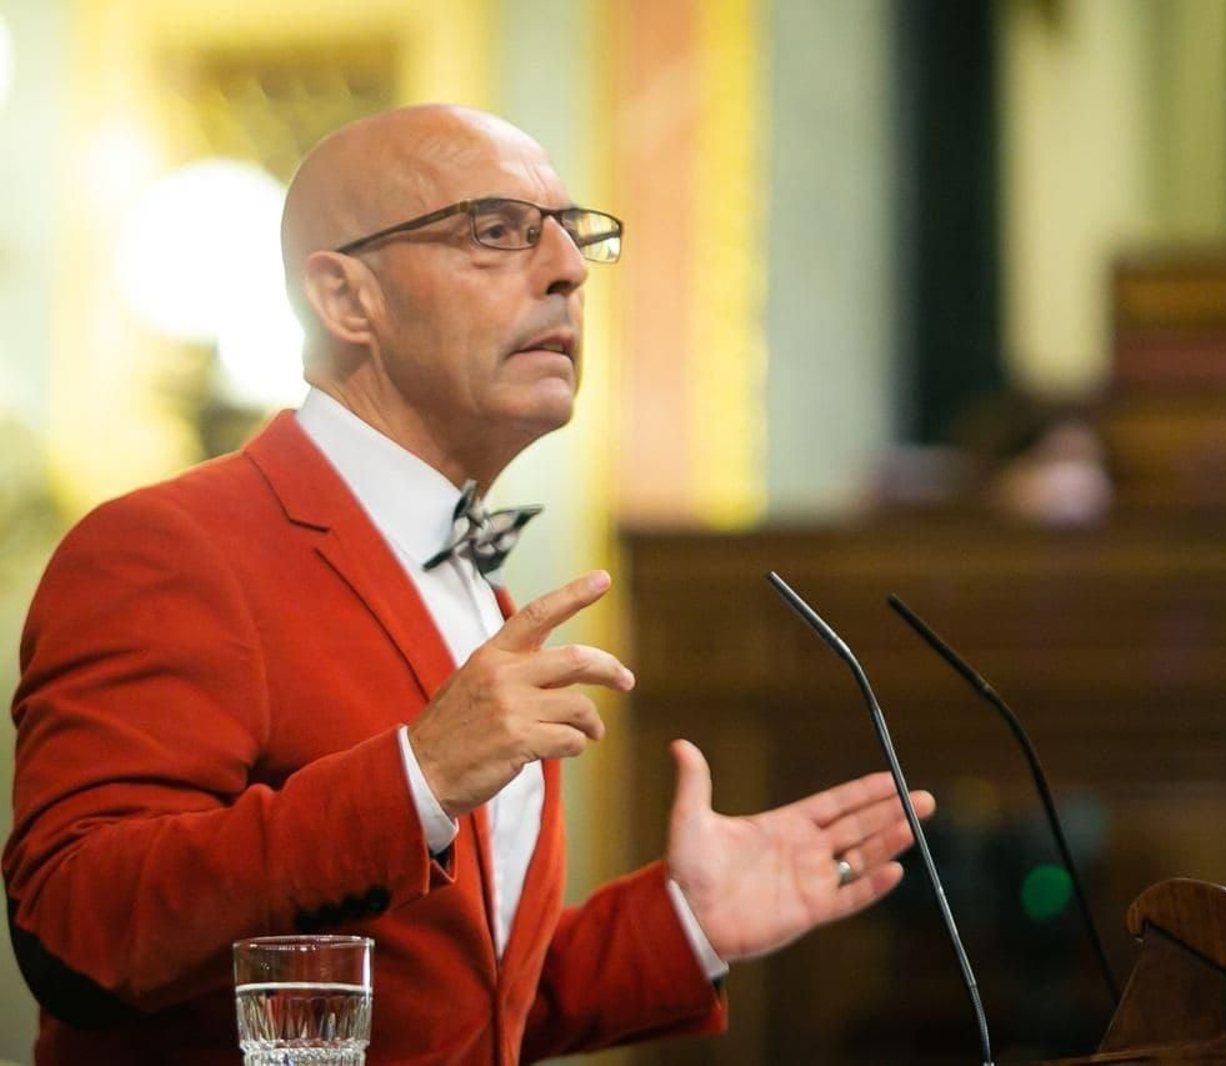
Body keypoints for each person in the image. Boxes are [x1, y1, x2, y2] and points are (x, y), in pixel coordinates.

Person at [3, 103, 934, 1063]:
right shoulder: (170, 546)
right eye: (497, 232)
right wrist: (417, 777)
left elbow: (452, 1008)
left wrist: (685, 920)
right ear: (345, 299)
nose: (570, 271)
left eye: (572, 235)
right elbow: (76, 932)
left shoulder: (468, 585)